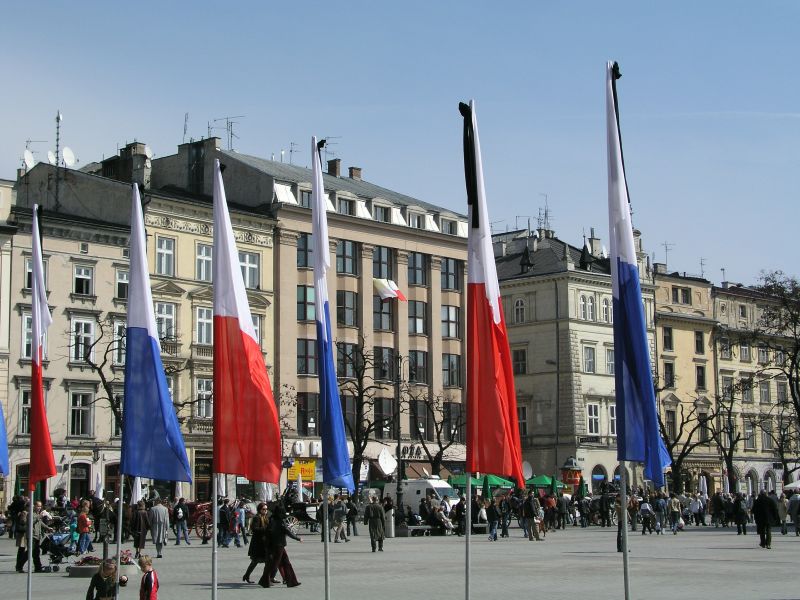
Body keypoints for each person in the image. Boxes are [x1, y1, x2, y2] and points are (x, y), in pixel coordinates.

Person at [261, 504, 302, 588]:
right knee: (275, 564)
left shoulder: (272, 519)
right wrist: (297, 538)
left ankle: (291, 581)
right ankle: (265, 580)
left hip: (274, 545)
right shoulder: (280, 521)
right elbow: (287, 531)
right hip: (279, 545)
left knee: (284, 562)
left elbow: (268, 532)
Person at [243, 503, 272, 584]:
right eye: (263, 509)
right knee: (255, 561)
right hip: (258, 543)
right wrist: (266, 528)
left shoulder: (266, 517)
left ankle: (267, 578)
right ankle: (247, 575)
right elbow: (254, 529)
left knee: (267, 561)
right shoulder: (257, 518)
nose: (265, 511)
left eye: (266, 509)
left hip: (264, 543)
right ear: (259, 509)